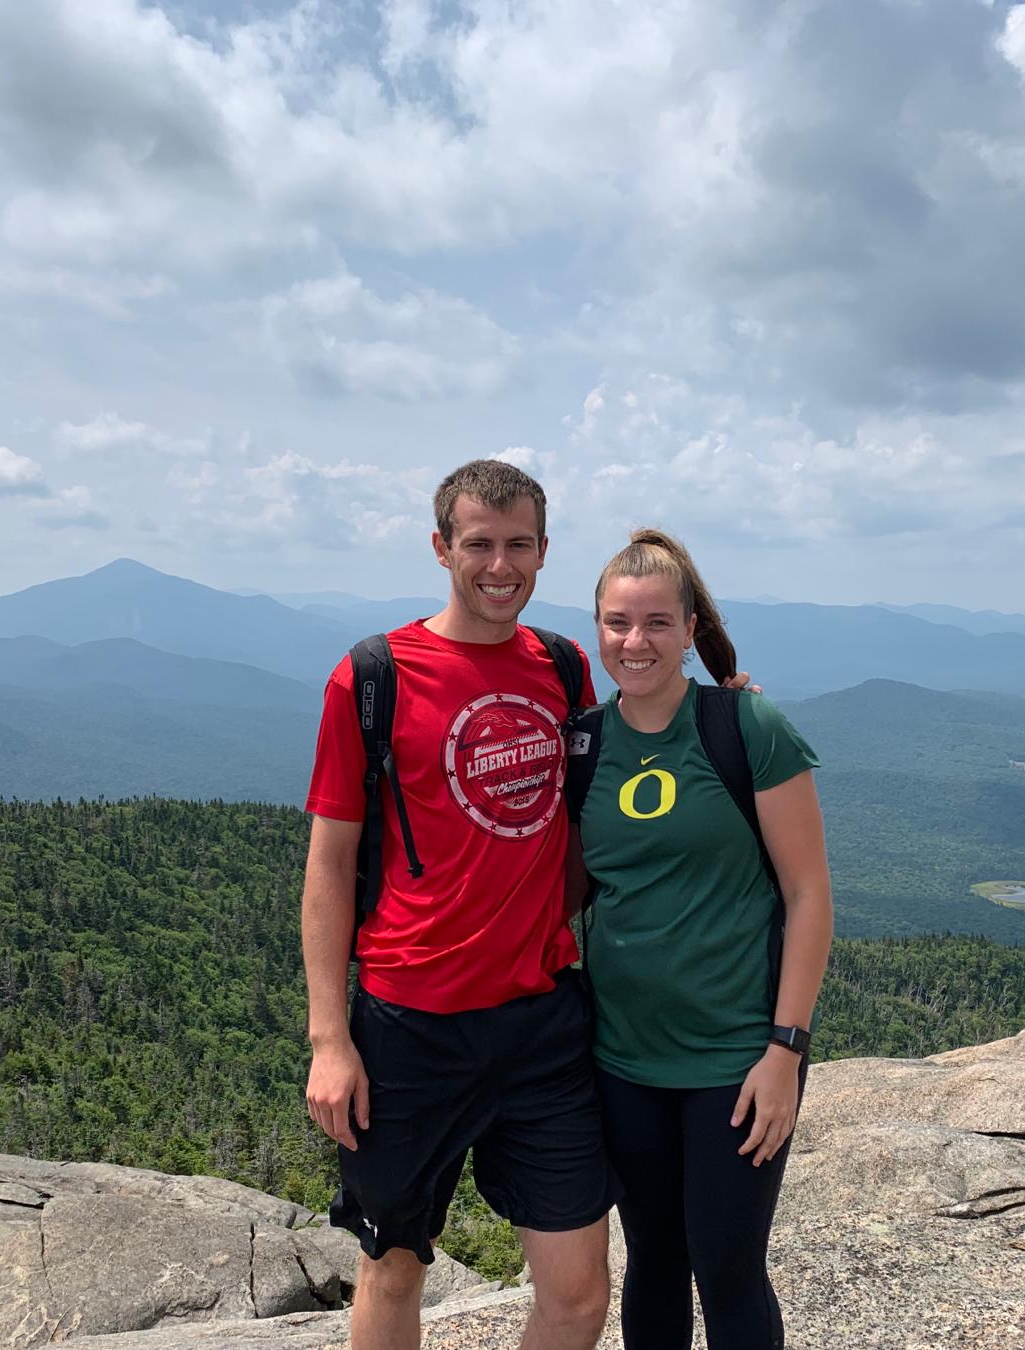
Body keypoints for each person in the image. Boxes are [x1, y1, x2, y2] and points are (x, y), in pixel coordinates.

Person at [300, 459, 618, 1350]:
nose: (498, 564)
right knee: (393, 1268)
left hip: (545, 1023)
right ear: (442, 547)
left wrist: (731, 720)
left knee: (579, 1294)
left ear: (545, 552)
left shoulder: (564, 667)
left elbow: (630, 771)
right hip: (410, 1026)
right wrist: (331, 1038)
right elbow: (330, 865)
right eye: (478, 543)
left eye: (519, 545)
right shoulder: (372, 677)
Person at [571, 529, 833, 1350]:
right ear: (597, 632)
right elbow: (577, 894)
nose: (634, 642)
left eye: (655, 623)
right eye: (617, 624)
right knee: (653, 1261)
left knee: (726, 1269)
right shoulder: (583, 745)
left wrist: (786, 1050)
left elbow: (809, 892)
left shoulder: (745, 726)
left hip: (734, 1061)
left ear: (691, 629)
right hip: (623, 1062)